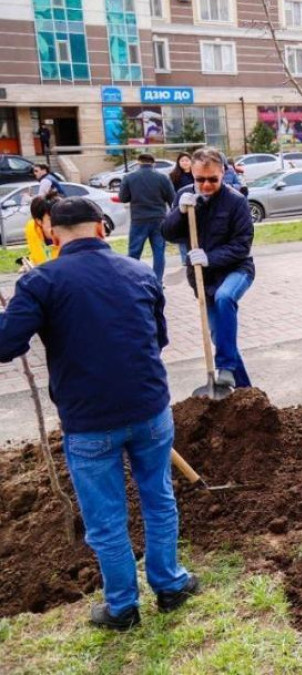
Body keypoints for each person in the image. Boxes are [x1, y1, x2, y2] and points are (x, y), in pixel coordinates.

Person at [0, 197, 199, 631]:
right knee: (159, 499)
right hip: (150, 409)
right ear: (102, 230)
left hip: (90, 422)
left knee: (106, 518)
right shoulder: (141, 272)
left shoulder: (41, 283)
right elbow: (159, 338)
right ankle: (169, 584)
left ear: (53, 234)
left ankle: (122, 608)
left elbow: (4, 344)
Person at [162, 146, 255, 388]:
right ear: (192, 173)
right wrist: (179, 213)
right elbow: (168, 233)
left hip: (237, 269)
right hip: (203, 277)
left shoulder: (236, 201)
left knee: (225, 297)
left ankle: (224, 366)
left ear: (223, 173)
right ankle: (246, 392)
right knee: (220, 336)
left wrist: (210, 257)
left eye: (212, 179)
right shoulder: (185, 196)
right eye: (199, 179)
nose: (205, 185)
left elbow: (242, 245)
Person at [119, 153, 176, 284]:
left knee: (134, 252)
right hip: (159, 219)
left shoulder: (129, 177)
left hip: (139, 219)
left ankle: (132, 280)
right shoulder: (163, 178)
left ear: (138, 163)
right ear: (153, 163)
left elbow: (123, 198)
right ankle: (158, 281)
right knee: (159, 251)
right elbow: (172, 198)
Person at [169, 153, 195, 267]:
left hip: (196, 206)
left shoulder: (196, 174)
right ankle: (185, 259)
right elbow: (171, 193)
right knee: (183, 233)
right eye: (182, 161)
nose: (185, 162)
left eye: (187, 160)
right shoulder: (174, 176)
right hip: (181, 207)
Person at [23, 193, 60, 268]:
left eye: (60, 216)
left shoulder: (70, 231)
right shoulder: (32, 229)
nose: (58, 221)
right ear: (39, 221)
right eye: (52, 219)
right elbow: (36, 253)